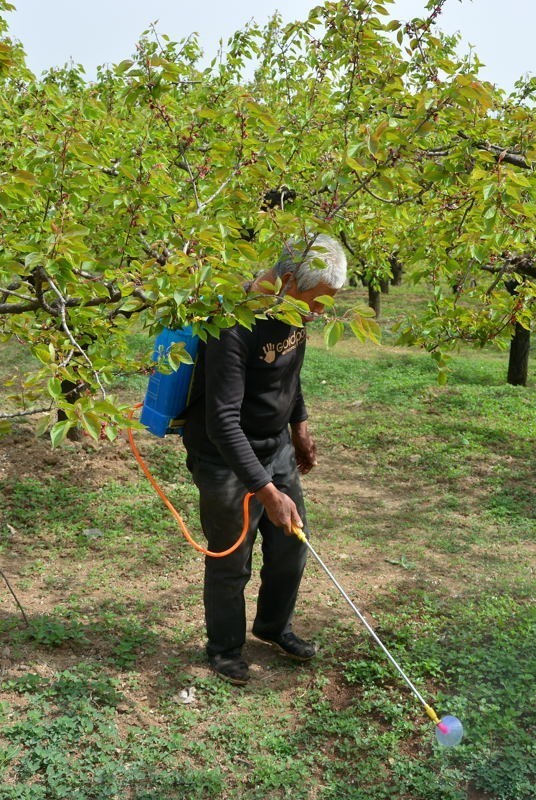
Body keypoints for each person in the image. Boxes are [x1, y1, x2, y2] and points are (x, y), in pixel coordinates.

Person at [181, 233, 347, 685]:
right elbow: (221, 422)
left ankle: (273, 628)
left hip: (274, 445)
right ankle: (225, 648)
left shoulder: (294, 312)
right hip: (223, 455)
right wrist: (265, 490)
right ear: (288, 281)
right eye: (316, 302)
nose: (319, 313)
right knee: (231, 559)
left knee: (293, 544)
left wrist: (300, 426)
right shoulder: (233, 325)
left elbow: (288, 373)